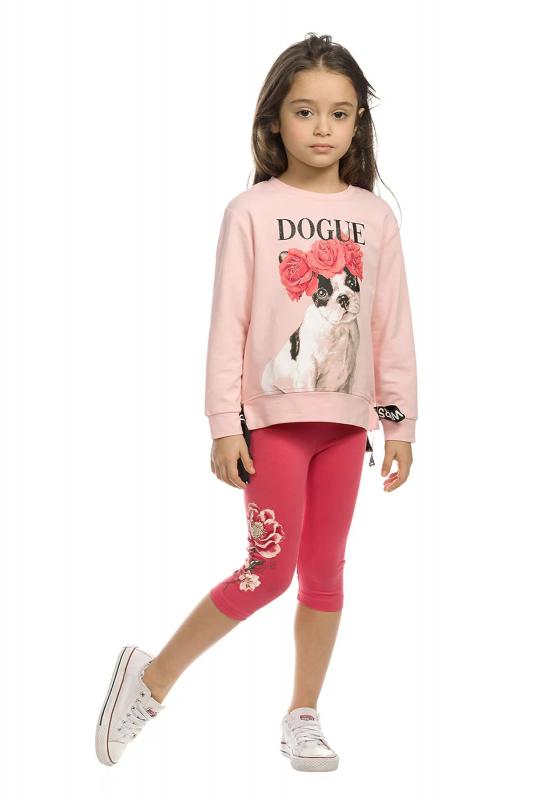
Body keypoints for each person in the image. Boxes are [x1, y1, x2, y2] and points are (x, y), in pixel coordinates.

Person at [95, 32, 418, 773]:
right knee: (268, 571)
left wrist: (399, 421)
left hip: (346, 426)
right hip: (271, 423)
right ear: (275, 119)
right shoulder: (250, 210)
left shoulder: (375, 218)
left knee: (325, 574)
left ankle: (303, 714)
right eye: (305, 111)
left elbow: (391, 324)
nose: (322, 128)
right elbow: (229, 324)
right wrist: (223, 424)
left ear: (358, 122)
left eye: (339, 113)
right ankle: (151, 679)